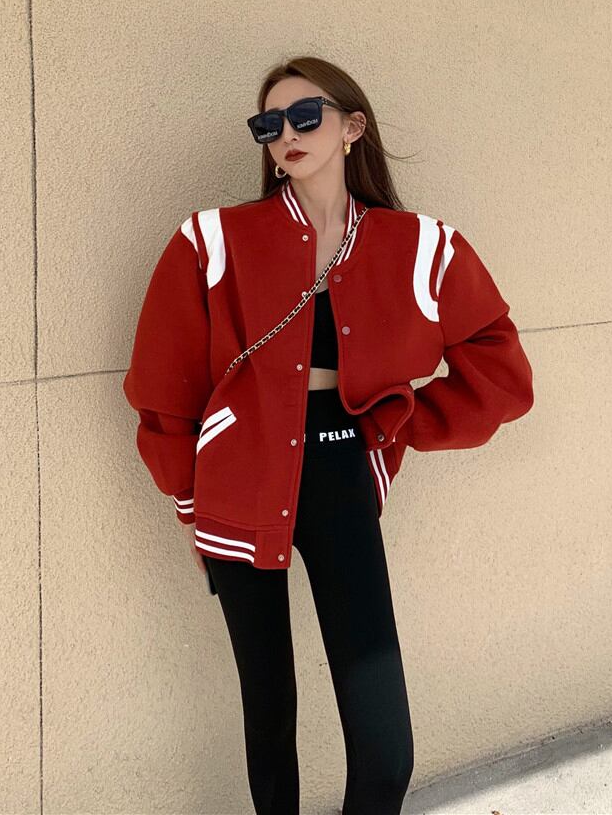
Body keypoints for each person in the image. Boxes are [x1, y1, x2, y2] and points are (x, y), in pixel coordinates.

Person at [123, 55, 534, 815]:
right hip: (237, 477)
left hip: (342, 469)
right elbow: (162, 388)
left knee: (386, 744)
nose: (287, 133)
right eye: (269, 124)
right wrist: (188, 500)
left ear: (352, 128)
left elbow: (501, 376)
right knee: (268, 708)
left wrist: (396, 424)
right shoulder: (212, 241)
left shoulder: (420, 247)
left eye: (306, 115)